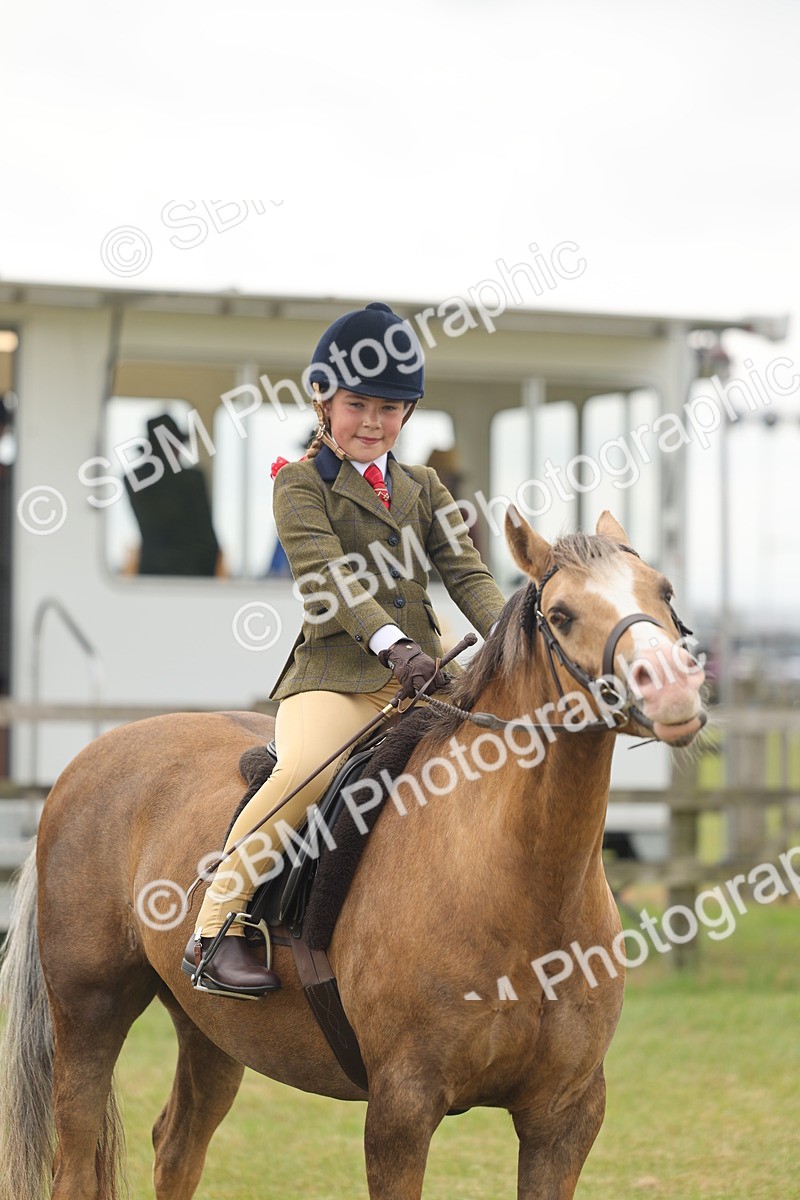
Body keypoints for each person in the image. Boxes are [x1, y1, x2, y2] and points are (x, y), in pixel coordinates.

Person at [184, 302, 507, 998]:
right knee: (301, 772)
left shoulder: (425, 488)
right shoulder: (299, 485)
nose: (371, 422)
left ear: (409, 415)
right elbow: (331, 579)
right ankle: (216, 930)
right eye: (357, 404)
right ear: (324, 403)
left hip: (425, 680)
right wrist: (394, 645)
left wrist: (514, 635)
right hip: (339, 677)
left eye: (389, 409)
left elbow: (468, 574)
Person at [123, 414, 226, 577]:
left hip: (150, 575)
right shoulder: (192, 480)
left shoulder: (134, 479)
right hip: (194, 575)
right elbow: (207, 539)